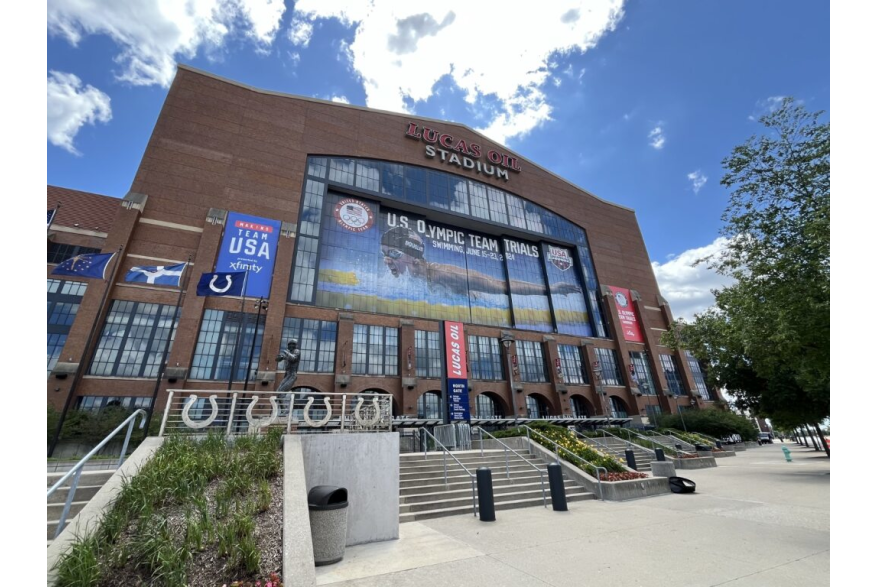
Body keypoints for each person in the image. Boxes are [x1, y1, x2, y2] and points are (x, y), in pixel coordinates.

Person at [380, 227, 581, 296]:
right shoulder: (409, 276)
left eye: (394, 255)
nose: (387, 261)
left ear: (414, 258)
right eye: (385, 254)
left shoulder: (446, 275)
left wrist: (551, 289)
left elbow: (501, 286)